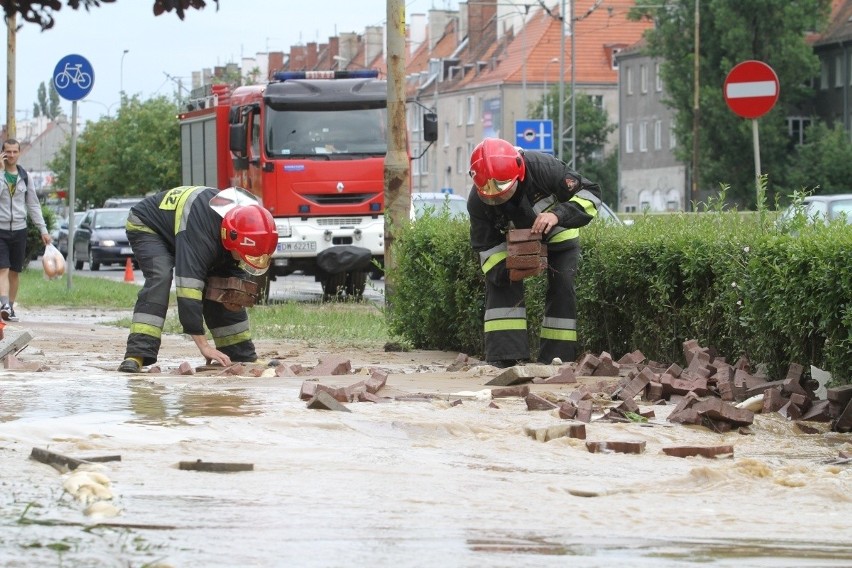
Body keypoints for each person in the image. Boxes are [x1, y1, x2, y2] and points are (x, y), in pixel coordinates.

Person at [467, 137, 602, 368]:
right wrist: (508, 270)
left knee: (563, 286)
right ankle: (504, 357)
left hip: (559, 234)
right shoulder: (477, 202)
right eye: (491, 195)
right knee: (500, 284)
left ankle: (558, 358)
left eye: (502, 191)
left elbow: (592, 194)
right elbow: (486, 247)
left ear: (518, 174)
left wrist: (558, 215)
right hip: (515, 246)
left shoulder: (544, 168)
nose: (497, 198)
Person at [118, 186, 277, 373]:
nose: (243, 259)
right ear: (231, 236)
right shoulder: (201, 235)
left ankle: (240, 354)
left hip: (193, 231)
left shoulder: (245, 221)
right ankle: (137, 354)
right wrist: (204, 347)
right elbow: (188, 290)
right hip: (149, 225)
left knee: (227, 287)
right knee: (160, 277)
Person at [0, 138, 52, 322]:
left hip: (20, 229)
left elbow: (33, 205)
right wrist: (0, 172)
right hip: (1, 229)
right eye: (8, 152)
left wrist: (43, 230)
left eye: (15, 151)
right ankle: (4, 303)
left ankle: (10, 307)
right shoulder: (0, 174)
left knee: (15, 271)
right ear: (3, 153)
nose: (12, 155)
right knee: (3, 268)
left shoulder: (25, 177)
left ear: (19, 153)